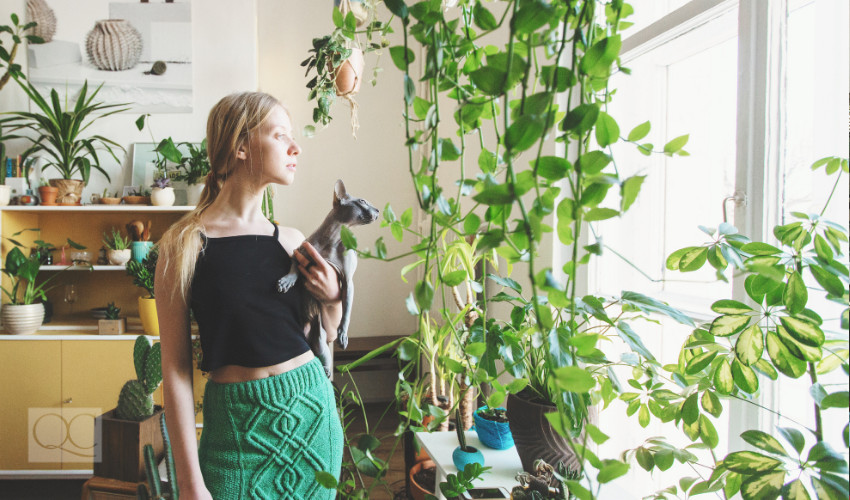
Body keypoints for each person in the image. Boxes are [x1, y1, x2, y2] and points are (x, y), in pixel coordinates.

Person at [155, 91, 344, 500]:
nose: (295, 147)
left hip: (312, 418)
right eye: (280, 136)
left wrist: (331, 299)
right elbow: (175, 370)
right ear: (241, 146)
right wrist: (189, 483)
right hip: (235, 434)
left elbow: (326, 335)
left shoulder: (290, 241)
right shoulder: (183, 244)